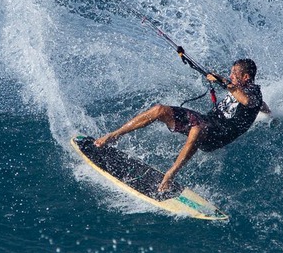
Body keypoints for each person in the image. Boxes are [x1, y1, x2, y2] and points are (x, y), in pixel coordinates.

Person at [94, 58, 270, 192]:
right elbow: (258, 105)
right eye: (230, 73)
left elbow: (248, 100)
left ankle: (170, 174)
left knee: (197, 128)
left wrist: (223, 82)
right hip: (207, 121)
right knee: (159, 110)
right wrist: (270, 114)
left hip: (217, 136)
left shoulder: (253, 92)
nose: (230, 76)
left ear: (246, 77)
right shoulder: (242, 91)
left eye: (234, 74)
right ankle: (113, 135)